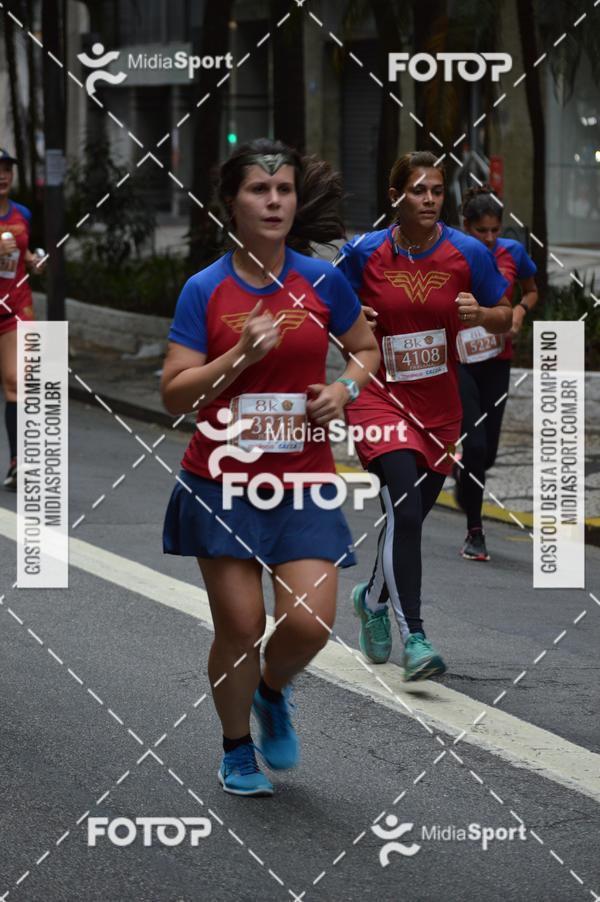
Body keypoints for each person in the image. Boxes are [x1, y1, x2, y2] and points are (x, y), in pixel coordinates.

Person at [160, 139, 379, 796]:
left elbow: (365, 349)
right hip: (221, 482)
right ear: (232, 203)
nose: (275, 200)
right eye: (260, 189)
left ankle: (271, 690)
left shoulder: (323, 281)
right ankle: (236, 750)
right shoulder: (205, 289)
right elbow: (174, 394)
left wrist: (344, 389)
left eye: (284, 189)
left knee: (310, 624)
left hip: (303, 481)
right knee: (241, 626)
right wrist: (240, 357)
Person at [337, 151, 511, 676]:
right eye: (418, 190)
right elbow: (325, 310)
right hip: (378, 397)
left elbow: (505, 316)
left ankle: (371, 597)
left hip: (439, 407)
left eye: (436, 190)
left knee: (408, 519)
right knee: (405, 511)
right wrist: (353, 317)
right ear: (396, 197)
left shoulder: (467, 253)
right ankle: (414, 636)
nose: (430, 199)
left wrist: (483, 314)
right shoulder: (364, 253)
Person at [455, 184, 538, 561]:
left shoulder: (513, 252)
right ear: (466, 227)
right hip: (460, 363)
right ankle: (475, 532)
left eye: (494, 230)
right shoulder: (452, 254)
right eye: (480, 230)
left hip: (497, 361)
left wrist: (518, 311)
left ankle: (464, 474)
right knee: (474, 446)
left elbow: (531, 290)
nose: (489, 238)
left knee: (486, 454)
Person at [0, 148, 44, 490]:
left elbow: (24, 252)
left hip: (16, 306)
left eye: (7, 169)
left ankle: (19, 464)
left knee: (18, 382)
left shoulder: (22, 213)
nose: (2, 176)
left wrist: (33, 261)